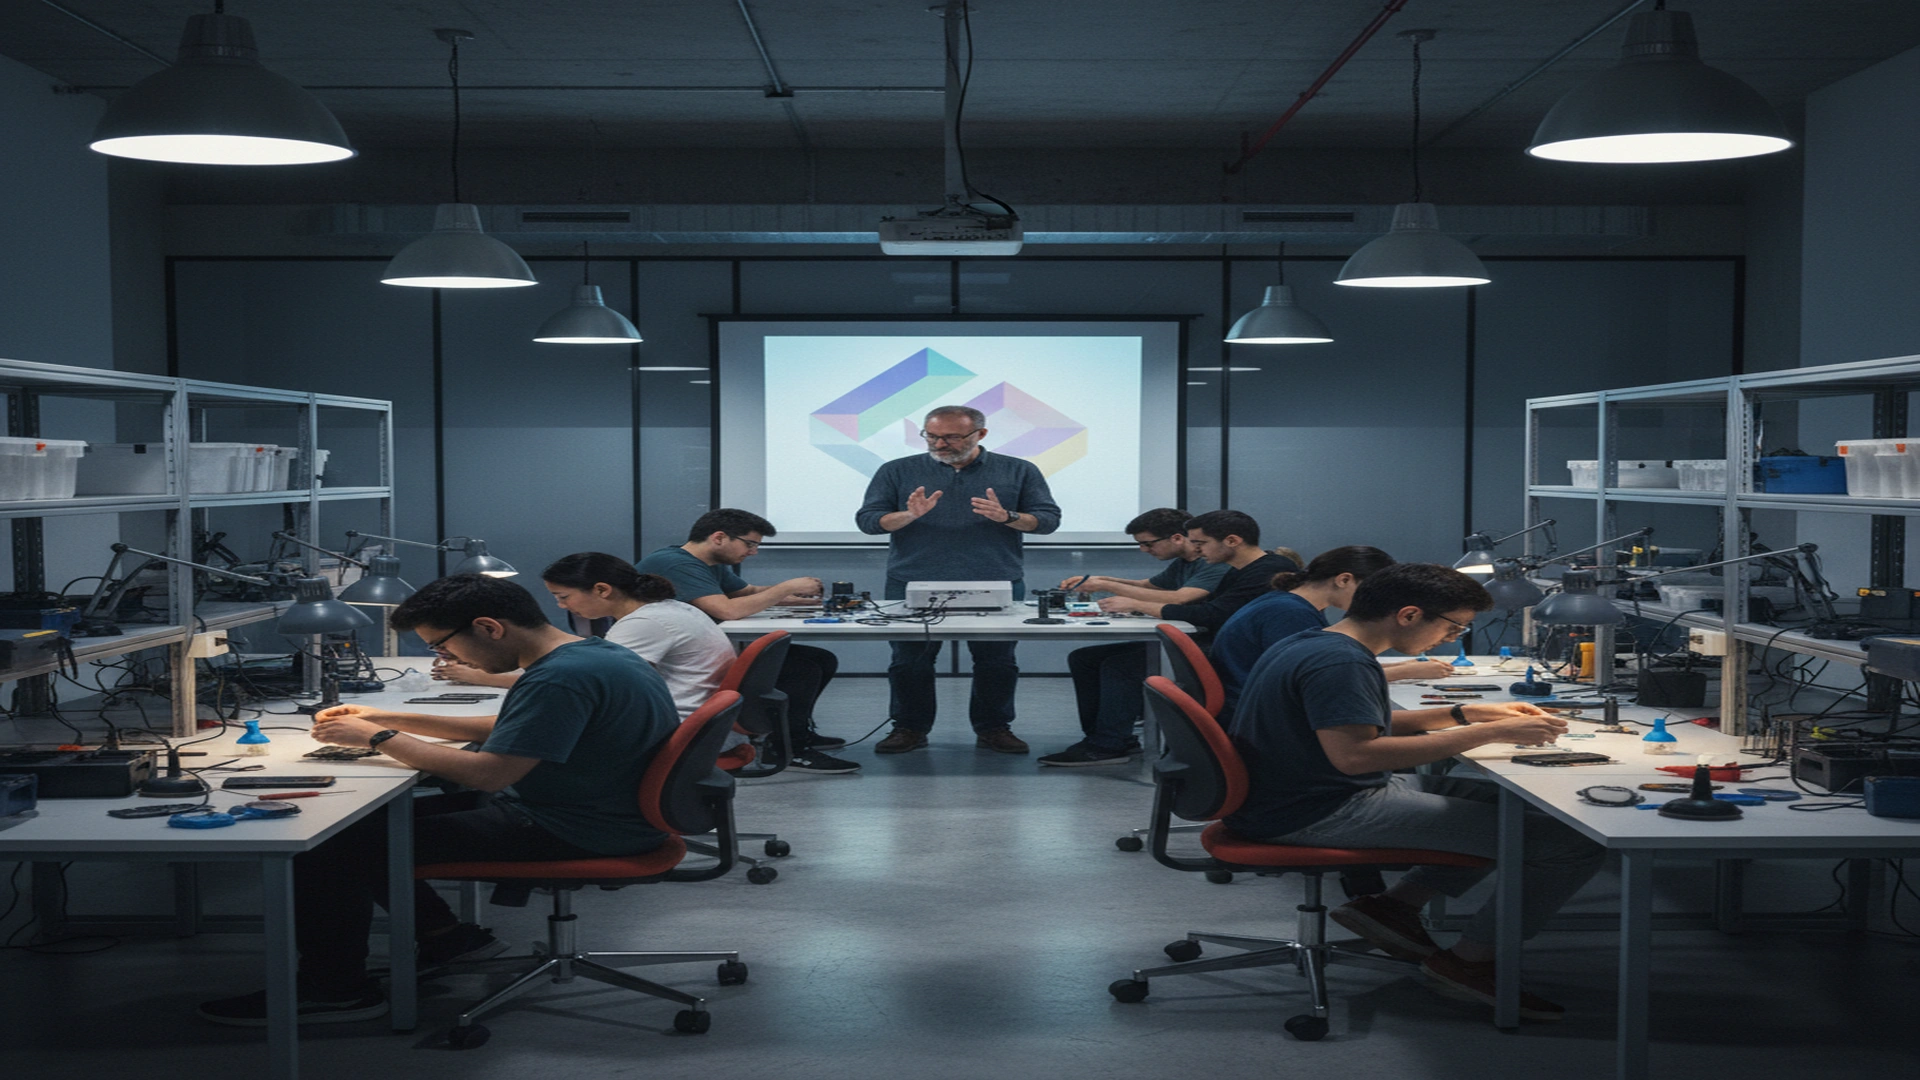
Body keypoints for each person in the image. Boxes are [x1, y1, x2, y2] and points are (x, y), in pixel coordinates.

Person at [196, 574, 682, 1026]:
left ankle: (334, 989)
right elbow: (512, 731)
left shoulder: (558, 678)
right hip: (600, 810)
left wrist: (378, 736)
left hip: (577, 828)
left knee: (330, 845)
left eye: (443, 645)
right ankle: (448, 939)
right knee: (369, 824)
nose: (448, 658)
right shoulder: (591, 655)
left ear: (488, 627)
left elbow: (490, 774)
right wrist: (392, 719)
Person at [1223, 563, 1605, 1022]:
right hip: (1319, 808)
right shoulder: (1341, 662)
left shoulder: (1316, 641)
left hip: (1297, 793)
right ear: (1408, 614)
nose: (1451, 637)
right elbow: (1357, 755)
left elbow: (1356, 722)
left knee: (1499, 800)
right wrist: (1491, 734)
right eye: (1453, 626)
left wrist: (1470, 713)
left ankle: (1394, 908)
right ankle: (1470, 961)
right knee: (1571, 844)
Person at [855, 404, 1062, 755]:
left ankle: (994, 728)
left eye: (952, 437)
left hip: (996, 578)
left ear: (980, 434)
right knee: (909, 661)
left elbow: (1047, 520)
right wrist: (907, 515)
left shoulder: (1018, 470)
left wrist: (1007, 516)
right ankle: (909, 728)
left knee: (996, 661)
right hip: (912, 579)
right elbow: (868, 521)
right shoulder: (896, 470)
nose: (940, 444)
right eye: (932, 436)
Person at [634, 509, 860, 773]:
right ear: (719, 537)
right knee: (800, 668)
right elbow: (727, 610)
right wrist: (785, 588)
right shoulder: (676, 564)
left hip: (701, 647)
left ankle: (792, 734)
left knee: (820, 658)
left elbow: (746, 592)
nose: (753, 552)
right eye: (749, 544)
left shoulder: (709, 563)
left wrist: (797, 598)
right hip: (679, 661)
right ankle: (789, 750)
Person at [1039, 507, 1231, 767]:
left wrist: (1107, 586)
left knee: (1121, 667)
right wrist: (1096, 579)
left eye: (1148, 544)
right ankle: (1112, 737)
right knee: (1084, 658)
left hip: (1210, 644)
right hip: (1186, 639)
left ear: (1176, 538)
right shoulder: (1183, 563)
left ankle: (1107, 746)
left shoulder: (1212, 564)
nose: (1144, 550)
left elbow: (1181, 598)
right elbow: (1147, 586)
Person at [1209, 546, 1453, 715]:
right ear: (1344, 579)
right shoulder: (1289, 613)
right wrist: (1406, 671)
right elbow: (1316, 678)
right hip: (1255, 711)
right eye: (1371, 589)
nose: (1377, 599)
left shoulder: (1289, 602)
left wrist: (1405, 668)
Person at [1093, 510, 1293, 635]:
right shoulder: (1241, 570)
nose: (1196, 550)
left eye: (1201, 544)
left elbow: (1210, 614)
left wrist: (1138, 604)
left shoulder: (1267, 571)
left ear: (1232, 541)